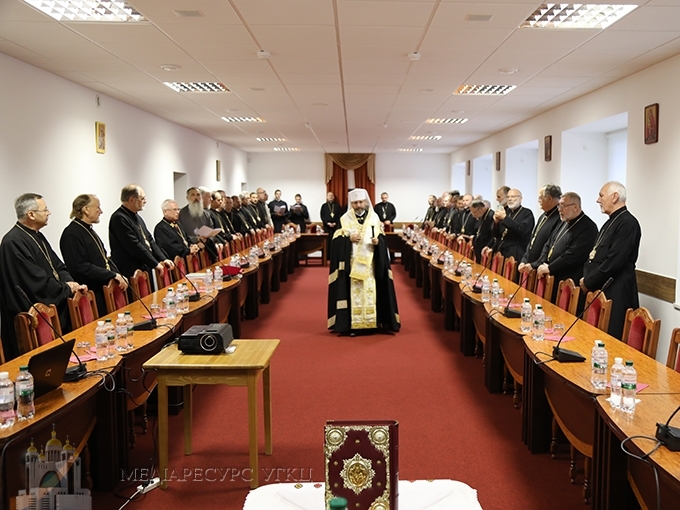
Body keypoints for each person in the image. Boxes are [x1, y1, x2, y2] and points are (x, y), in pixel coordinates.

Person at [0, 193, 86, 360]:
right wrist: (66, 288)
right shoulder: (13, 242)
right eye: (45, 209)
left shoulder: (37, 235)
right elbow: (35, 282)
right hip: (30, 320)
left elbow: (58, 266)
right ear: (31, 214)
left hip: (52, 307)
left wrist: (70, 282)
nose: (49, 213)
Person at [327, 188, 400, 335]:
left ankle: (373, 323)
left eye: (361, 202)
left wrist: (377, 242)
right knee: (353, 294)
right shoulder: (344, 219)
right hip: (352, 265)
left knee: (371, 292)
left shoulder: (374, 218)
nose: (358, 205)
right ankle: (353, 325)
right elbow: (335, 241)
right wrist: (348, 239)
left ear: (366, 202)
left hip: (371, 265)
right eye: (355, 203)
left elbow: (383, 239)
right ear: (351, 203)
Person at [580, 181, 642, 339]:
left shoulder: (628, 223)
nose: (597, 200)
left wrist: (588, 281)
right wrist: (587, 278)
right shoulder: (610, 222)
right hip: (601, 287)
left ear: (615, 197)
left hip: (616, 291)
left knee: (610, 340)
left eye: (601, 195)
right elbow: (594, 255)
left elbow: (614, 261)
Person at [60, 194, 128, 315]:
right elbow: (80, 267)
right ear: (86, 209)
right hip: (91, 294)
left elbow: (104, 258)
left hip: (103, 291)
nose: (101, 211)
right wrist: (111, 275)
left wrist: (118, 274)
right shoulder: (72, 234)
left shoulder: (88, 229)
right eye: (98, 207)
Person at [534, 192, 597, 302]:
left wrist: (550, 267)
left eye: (563, 206)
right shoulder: (563, 222)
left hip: (569, 280)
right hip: (551, 275)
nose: (559, 209)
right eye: (559, 205)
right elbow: (549, 243)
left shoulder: (588, 227)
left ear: (575, 207)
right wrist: (542, 262)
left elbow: (573, 255)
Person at [109, 184, 174, 286]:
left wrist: (163, 258)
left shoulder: (136, 216)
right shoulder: (119, 218)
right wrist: (155, 263)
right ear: (131, 199)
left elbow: (149, 240)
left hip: (144, 266)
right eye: (142, 198)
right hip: (130, 269)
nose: (145, 201)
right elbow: (134, 246)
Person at [518, 184, 562, 276]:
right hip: (530, 266)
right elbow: (532, 240)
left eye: (541, 197)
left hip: (541, 268)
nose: (538, 200)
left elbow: (549, 246)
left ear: (549, 198)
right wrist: (524, 260)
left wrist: (535, 264)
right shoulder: (543, 216)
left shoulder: (559, 218)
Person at [178, 187, 222, 261]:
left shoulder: (206, 214)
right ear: (187, 198)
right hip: (190, 252)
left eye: (198, 195)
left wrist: (205, 240)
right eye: (193, 195)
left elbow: (212, 233)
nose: (196, 197)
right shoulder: (181, 214)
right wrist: (196, 240)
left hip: (207, 249)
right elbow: (181, 234)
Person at [493, 188, 535, 261]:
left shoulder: (527, 213)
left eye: (513, 197)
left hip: (517, 252)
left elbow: (522, 230)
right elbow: (496, 235)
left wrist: (505, 218)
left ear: (520, 199)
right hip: (502, 251)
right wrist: (496, 223)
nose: (509, 199)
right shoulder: (506, 212)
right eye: (508, 197)